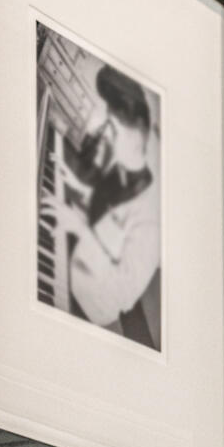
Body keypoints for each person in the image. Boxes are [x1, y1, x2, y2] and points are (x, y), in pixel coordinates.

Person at [63, 65, 160, 348]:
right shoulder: (124, 166)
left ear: (139, 131)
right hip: (76, 267)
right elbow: (102, 215)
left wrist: (80, 231)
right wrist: (75, 190)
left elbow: (120, 294)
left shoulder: (151, 218)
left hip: (91, 307)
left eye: (113, 128)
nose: (107, 136)